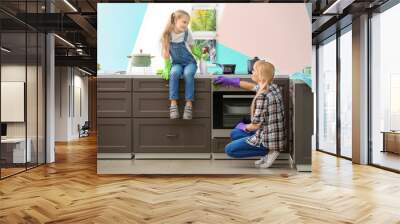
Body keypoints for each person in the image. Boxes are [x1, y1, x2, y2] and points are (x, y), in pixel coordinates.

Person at [213, 61, 286, 168]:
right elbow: (252, 87)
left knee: (229, 149)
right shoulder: (273, 87)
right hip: (270, 133)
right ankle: (267, 150)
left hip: (268, 139)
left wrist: (244, 127)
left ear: (260, 75)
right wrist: (232, 81)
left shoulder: (262, 96)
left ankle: (269, 151)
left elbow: (255, 126)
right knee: (235, 133)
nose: (252, 71)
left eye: (254, 70)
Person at [160, 10, 198, 120]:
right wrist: (167, 66)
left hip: (189, 62)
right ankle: (173, 104)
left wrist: (200, 53)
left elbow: (192, 47)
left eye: (187, 23)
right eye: (184, 22)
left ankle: (189, 105)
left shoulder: (187, 33)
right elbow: (166, 53)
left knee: (188, 74)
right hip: (176, 63)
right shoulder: (167, 34)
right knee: (174, 73)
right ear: (175, 20)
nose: (186, 25)